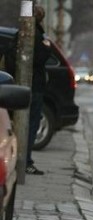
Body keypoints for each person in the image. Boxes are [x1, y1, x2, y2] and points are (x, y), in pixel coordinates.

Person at [26, 5, 51, 175]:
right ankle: (26, 161)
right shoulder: (36, 34)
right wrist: (47, 46)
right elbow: (40, 58)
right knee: (31, 124)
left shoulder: (25, 32)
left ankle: (25, 160)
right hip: (34, 86)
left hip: (31, 84)